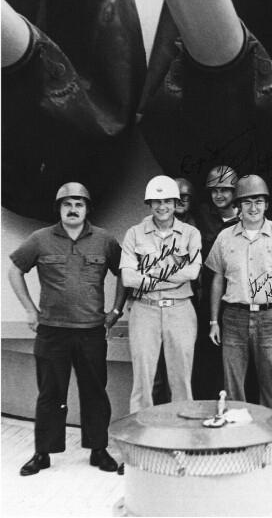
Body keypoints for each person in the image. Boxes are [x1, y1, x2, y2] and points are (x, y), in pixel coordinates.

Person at [8, 182, 126, 476]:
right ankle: (43, 453)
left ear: (87, 208)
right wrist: (29, 309)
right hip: (51, 331)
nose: (73, 209)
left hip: (91, 331)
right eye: (67, 204)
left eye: (79, 204)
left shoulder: (104, 240)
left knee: (95, 392)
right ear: (59, 208)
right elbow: (15, 270)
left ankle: (99, 450)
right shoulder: (40, 239)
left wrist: (115, 310)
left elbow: (125, 272)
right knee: (50, 393)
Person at [207, 175, 272, 412]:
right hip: (233, 317)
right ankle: (238, 443)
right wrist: (214, 321)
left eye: (259, 202)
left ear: (266, 204)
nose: (254, 208)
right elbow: (217, 279)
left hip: (270, 318)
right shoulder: (225, 237)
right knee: (233, 387)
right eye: (248, 202)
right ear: (238, 206)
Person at [120, 175, 202, 413]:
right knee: (143, 382)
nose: (162, 206)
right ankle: (141, 442)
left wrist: (151, 274)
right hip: (145, 309)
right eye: (156, 201)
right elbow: (129, 278)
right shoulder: (134, 234)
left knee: (182, 382)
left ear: (176, 203)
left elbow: (193, 272)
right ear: (149, 203)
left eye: (167, 200)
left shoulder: (190, 234)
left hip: (180, 310)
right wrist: (172, 275)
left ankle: (180, 441)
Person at [192, 165, 241, 399]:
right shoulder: (202, 215)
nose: (219, 195)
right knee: (206, 358)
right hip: (206, 299)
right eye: (214, 190)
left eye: (225, 190)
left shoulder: (246, 217)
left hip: (236, 298)